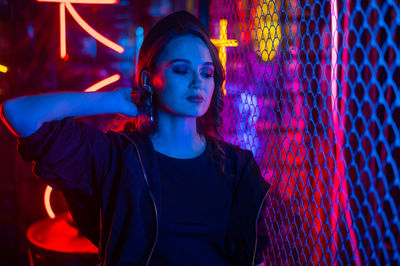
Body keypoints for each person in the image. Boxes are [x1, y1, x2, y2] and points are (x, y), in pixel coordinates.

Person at [0, 10, 270, 266]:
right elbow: (18, 113)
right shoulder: (118, 158)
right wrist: (112, 99)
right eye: (181, 70)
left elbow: (253, 257)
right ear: (149, 79)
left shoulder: (238, 166)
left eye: (206, 72)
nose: (197, 82)